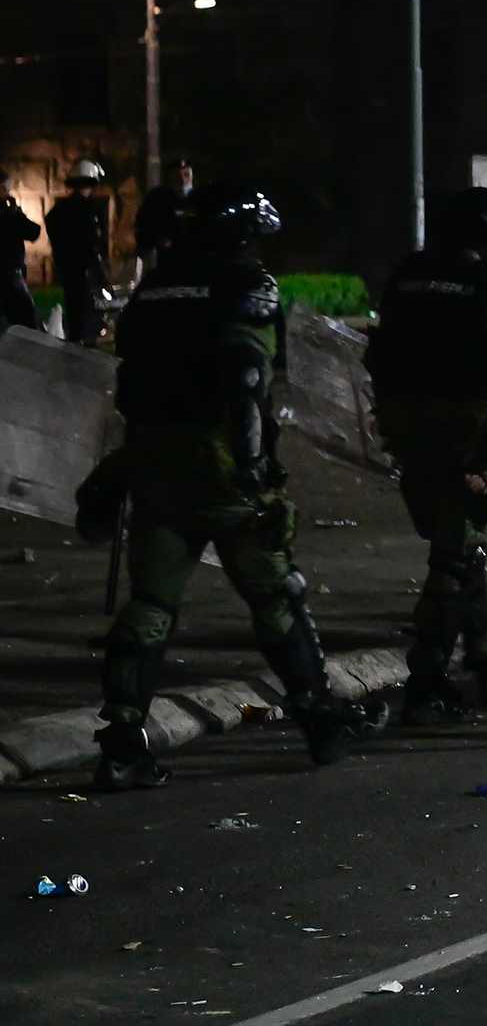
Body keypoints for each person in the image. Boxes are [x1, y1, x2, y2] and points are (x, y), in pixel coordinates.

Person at [88, 182, 387, 788]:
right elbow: (247, 377)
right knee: (276, 594)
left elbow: (132, 375)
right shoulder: (245, 284)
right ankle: (321, 720)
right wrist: (252, 468)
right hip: (217, 459)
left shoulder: (158, 284)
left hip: (153, 457)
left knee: (149, 605)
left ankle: (121, 742)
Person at [365, 189, 487, 722]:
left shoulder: (407, 272)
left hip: (408, 421)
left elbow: (380, 348)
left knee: (459, 539)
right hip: (467, 424)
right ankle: (428, 680)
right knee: (453, 553)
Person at [45, 160, 113, 347]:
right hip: (85, 272)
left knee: (75, 315)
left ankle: (76, 346)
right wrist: (101, 272)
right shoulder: (87, 210)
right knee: (88, 317)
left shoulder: (59, 210)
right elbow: (91, 244)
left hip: (69, 270)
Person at [133, 159, 196, 279]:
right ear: (170, 177)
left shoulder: (198, 198)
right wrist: (157, 239)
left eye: (186, 174)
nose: (182, 180)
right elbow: (143, 225)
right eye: (178, 175)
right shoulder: (158, 197)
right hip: (165, 260)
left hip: (193, 258)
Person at [2, 191, 40, 330]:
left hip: (13, 273)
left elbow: (32, 231)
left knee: (25, 320)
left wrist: (16, 213)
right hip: (8, 274)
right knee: (25, 319)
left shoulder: (9, 214)